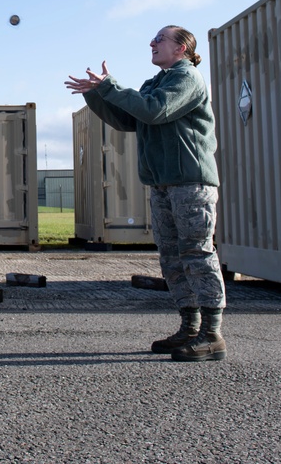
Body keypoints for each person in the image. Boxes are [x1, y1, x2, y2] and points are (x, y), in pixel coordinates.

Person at [65, 25, 227, 362]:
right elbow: (129, 119)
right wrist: (96, 93)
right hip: (163, 183)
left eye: (161, 39)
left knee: (197, 254)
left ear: (182, 48)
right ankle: (189, 327)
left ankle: (211, 335)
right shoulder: (156, 82)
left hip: (190, 182)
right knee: (172, 257)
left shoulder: (187, 78)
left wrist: (110, 86)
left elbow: (155, 110)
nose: (152, 43)